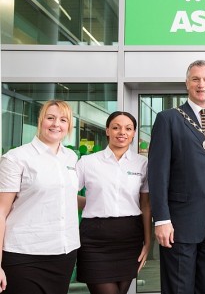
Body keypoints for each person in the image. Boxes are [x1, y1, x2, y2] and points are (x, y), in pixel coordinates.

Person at [148, 60, 205, 294]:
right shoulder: (168, 118)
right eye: (196, 79)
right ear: (186, 83)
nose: (201, 84)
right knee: (178, 289)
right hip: (178, 223)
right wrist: (161, 219)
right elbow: (157, 173)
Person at [0, 100, 79, 294]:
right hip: (24, 254)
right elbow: (1, 211)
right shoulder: (16, 158)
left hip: (64, 253)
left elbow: (64, 198)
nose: (56, 124)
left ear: (69, 126)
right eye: (50, 118)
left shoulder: (71, 157)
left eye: (63, 120)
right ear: (40, 120)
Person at [76, 111, 151, 294]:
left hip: (130, 236)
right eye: (116, 127)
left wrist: (148, 243)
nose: (122, 132)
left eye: (128, 128)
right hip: (94, 238)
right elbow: (66, 195)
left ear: (134, 133)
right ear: (107, 130)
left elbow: (145, 205)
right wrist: (93, 203)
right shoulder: (87, 162)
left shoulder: (143, 163)